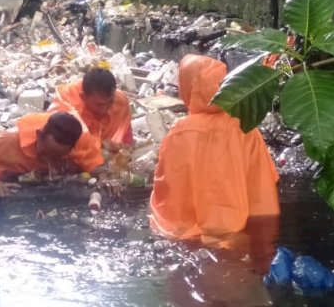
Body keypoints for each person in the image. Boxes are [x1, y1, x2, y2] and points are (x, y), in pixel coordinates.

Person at [150, 54, 280, 242]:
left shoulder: (179, 133)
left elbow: (167, 193)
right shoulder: (246, 127)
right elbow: (262, 184)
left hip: (189, 239)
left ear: (187, 87)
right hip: (241, 233)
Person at [0, 112, 104, 197]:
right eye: (45, 152)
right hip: (5, 176)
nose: (48, 160)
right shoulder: (10, 140)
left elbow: (96, 165)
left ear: (72, 148)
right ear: (39, 135)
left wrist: (105, 178)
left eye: (55, 156)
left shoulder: (81, 141)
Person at [49, 67, 133, 147]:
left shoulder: (120, 101)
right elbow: (57, 145)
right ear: (83, 97)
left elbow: (126, 134)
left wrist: (126, 150)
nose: (105, 110)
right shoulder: (67, 110)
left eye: (110, 102)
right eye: (99, 105)